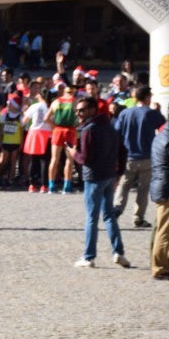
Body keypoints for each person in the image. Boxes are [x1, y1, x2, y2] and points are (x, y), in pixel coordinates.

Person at [66, 97, 130, 269]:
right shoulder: (111, 128)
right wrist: (119, 173)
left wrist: (73, 153)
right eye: (77, 111)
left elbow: (85, 158)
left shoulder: (89, 130)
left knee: (92, 218)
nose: (78, 114)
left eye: (81, 110)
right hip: (109, 175)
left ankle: (89, 256)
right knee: (109, 216)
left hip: (94, 177)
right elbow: (123, 151)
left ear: (92, 110)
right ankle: (118, 252)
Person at [113, 86, 166, 228]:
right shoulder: (152, 114)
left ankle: (117, 208)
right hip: (147, 156)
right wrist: (158, 111)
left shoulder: (125, 113)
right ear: (147, 97)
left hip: (128, 156)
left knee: (123, 185)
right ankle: (138, 217)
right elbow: (163, 129)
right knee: (143, 189)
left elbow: (117, 132)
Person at [149, 125, 169, 279]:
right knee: (164, 230)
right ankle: (160, 267)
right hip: (166, 186)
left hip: (160, 184)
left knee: (159, 227)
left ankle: (157, 263)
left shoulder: (161, 136)